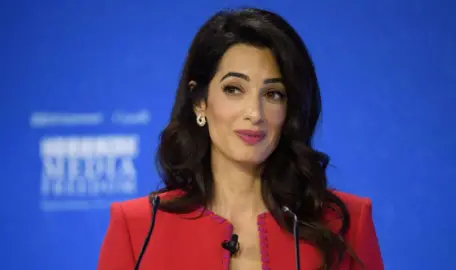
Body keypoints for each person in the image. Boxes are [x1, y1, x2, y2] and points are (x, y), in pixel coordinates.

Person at [97, 7, 383, 270]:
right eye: (234, 89)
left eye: (273, 94)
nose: (255, 113)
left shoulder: (345, 224)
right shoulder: (138, 227)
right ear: (200, 101)